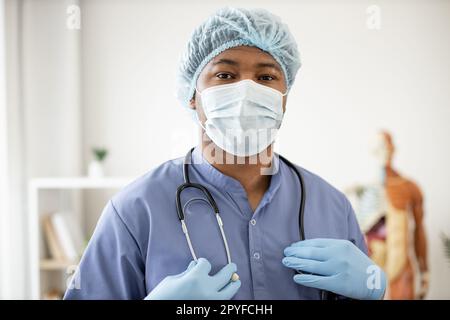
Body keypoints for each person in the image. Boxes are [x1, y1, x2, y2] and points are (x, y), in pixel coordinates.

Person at [64, 7, 386, 300]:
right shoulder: (136, 211)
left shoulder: (332, 207)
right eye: (225, 75)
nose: (247, 90)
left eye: (266, 77)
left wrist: (373, 291)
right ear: (193, 95)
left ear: (284, 97)